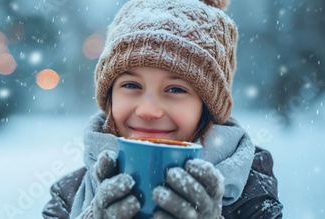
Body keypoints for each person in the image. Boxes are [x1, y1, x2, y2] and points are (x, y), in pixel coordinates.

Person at [42, 0, 284, 218]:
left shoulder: (252, 197)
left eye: (176, 89)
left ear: (208, 109)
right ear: (110, 97)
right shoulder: (69, 197)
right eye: (131, 85)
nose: (149, 110)